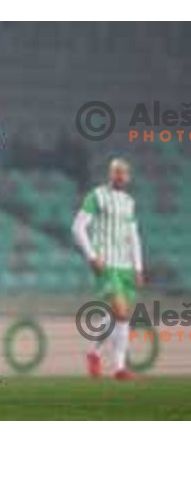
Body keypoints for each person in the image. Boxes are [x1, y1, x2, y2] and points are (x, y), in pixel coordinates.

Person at [72, 158, 144, 380]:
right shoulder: (97, 196)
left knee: (116, 316)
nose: (120, 176)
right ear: (110, 174)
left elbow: (133, 237)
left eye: (124, 173)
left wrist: (138, 267)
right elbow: (77, 227)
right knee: (121, 313)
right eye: (116, 172)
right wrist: (92, 256)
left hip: (125, 266)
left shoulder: (129, 202)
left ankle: (94, 352)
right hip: (106, 263)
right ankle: (120, 368)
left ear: (128, 177)